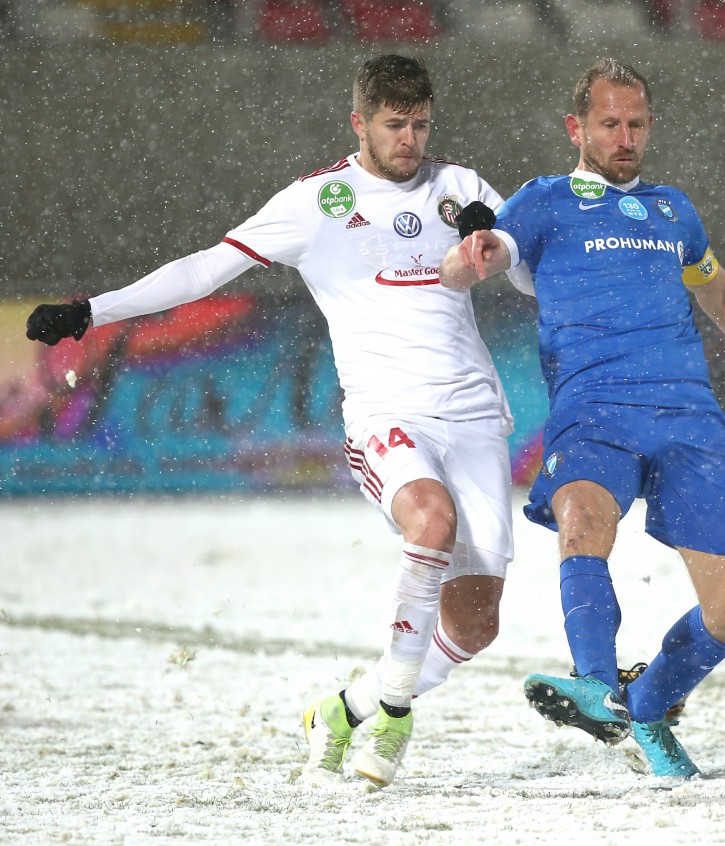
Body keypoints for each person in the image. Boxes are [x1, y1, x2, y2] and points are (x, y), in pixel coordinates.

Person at [25, 54, 533, 790]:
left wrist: (502, 248)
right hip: (387, 413)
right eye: (395, 125)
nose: (410, 140)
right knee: (431, 521)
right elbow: (204, 270)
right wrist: (90, 311)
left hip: (477, 416)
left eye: (421, 124)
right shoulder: (315, 202)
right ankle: (392, 712)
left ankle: (348, 709)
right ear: (359, 121)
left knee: (476, 624)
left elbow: (527, 264)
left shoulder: (463, 189)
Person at [439, 58, 725, 778]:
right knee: (582, 519)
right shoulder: (545, 201)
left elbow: (722, 297)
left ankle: (644, 704)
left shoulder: (672, 210)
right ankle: (595, 682)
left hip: (689, 415)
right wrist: (470, 253)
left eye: (636, 123)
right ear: (577, 127)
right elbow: (474, 262)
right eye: (609, 123)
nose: (624, 136)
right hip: (594, 410)